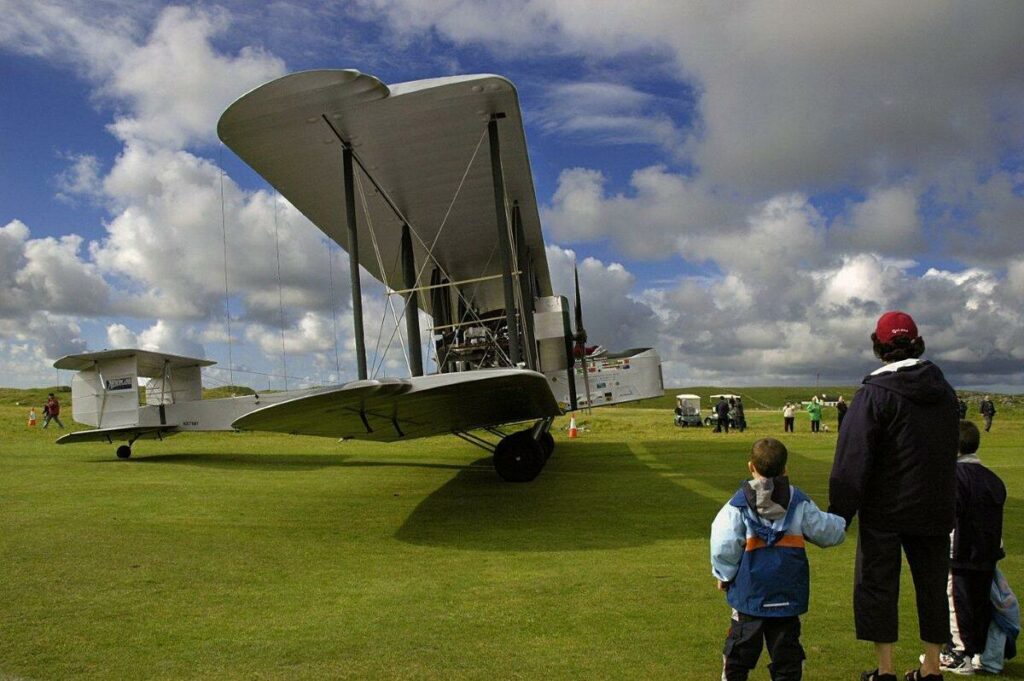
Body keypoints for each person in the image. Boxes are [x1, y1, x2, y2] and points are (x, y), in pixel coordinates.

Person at [829, 310, 959, 681]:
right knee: (933, 586)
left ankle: (885, 670)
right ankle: (932, 666)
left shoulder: (873, 394)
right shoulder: (945, 392)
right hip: (934, 505)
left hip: (885, 508)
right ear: (916, 342)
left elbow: (852, 457)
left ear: (879, 346)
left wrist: (841, 511)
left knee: (877, 584)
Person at [711, 437, 847, 680]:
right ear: (785, 468)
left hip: (749, 597)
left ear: (751, 467)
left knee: (738, 657)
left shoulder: (738, 504)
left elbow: (724, 544)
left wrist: (723, 574)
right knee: (787, 659)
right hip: (787, 595)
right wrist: (842, 521)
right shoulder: (798, 501)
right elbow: (825, 532)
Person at [931, 420, 1006, 674]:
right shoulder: (994, 480)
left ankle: (958, 653)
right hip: (987, 552)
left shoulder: (953, 477)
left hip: (960, 551)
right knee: (980, 602)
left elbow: (948, 517)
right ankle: (977, 652)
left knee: (957, 601)